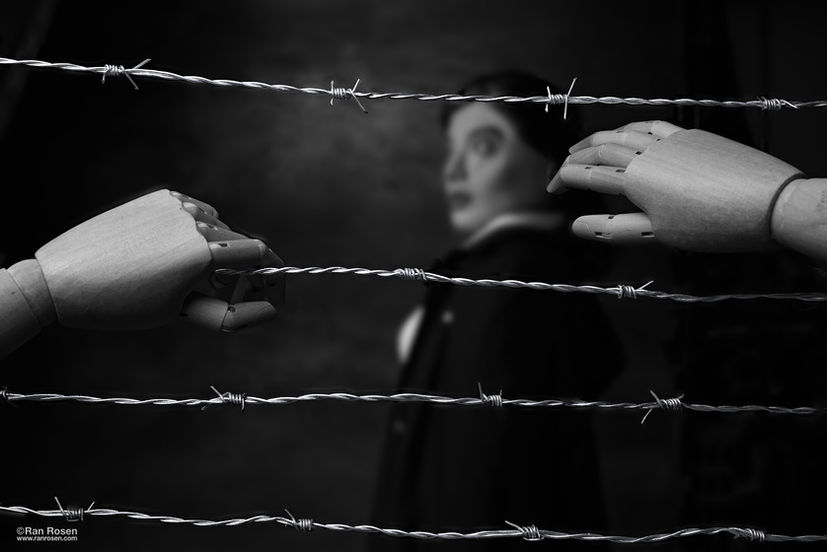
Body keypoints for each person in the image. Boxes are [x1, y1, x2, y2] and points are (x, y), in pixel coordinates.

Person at [370, 72, 622, 550]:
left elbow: (488, 468)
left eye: (483, 147)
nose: (453, 171)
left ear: (550, 165)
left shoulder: (513, 281)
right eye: (452, 149)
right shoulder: (491, 273)